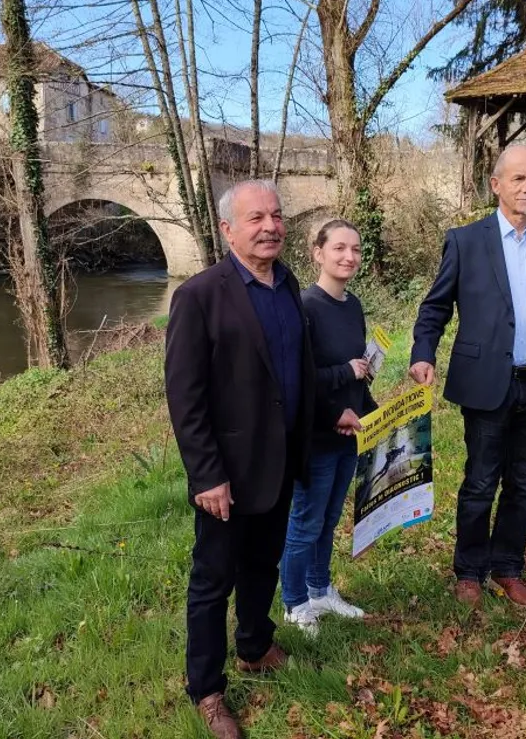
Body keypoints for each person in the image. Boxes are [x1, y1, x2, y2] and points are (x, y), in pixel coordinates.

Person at [165, 181, 359, 739]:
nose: (271, 225)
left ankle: (254, 644)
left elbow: (290, 378)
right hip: (225, 473)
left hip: (279, 463)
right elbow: (186, 395)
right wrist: (206, 474)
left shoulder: (288, 289)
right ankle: (206, 689)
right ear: (228, 230)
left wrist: (328, 417)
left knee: (262, 566)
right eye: (256, 218)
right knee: (212, 580)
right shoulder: (201, 295)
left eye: (276, 215)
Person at [409, 144, 526, 609]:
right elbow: (435, 306)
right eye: (518, 179)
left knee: (524, 483)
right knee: (480, 481)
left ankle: (507, 568)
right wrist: (422, 352)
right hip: (488, 382)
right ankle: (469, 570)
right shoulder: (466, 241)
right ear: (496, 185)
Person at [281, 220, 376, 636]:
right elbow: (293, 379)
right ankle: (294, 602)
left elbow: (358, 372)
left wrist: (371, 410)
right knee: (305, 521)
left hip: (349, 434)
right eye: (339, 248)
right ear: (318, 253)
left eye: (355, 249)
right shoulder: (304, 308)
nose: (349, 257)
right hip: (317, 436)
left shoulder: (352, 305)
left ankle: (319, 590)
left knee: (330, 518)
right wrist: (343, 375)